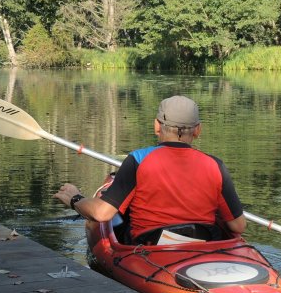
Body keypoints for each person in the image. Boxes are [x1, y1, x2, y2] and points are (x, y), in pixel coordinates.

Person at [54, 95, 247, 244]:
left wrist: (75, 199)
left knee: (121, 219)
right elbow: (238, 225)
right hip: (202, 245)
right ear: (198, 130)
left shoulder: (138, 160)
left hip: (150, 248)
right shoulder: (216, 165)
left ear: (156, 126)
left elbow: (102, 214)